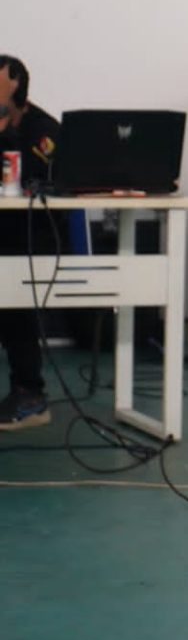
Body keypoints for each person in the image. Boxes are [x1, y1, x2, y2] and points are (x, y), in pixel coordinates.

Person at [0, 55, 61, 431]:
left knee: (14, 308)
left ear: (16, 85)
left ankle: (30, 394)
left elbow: (47, 176)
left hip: (29, 238)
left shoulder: (43, 129)